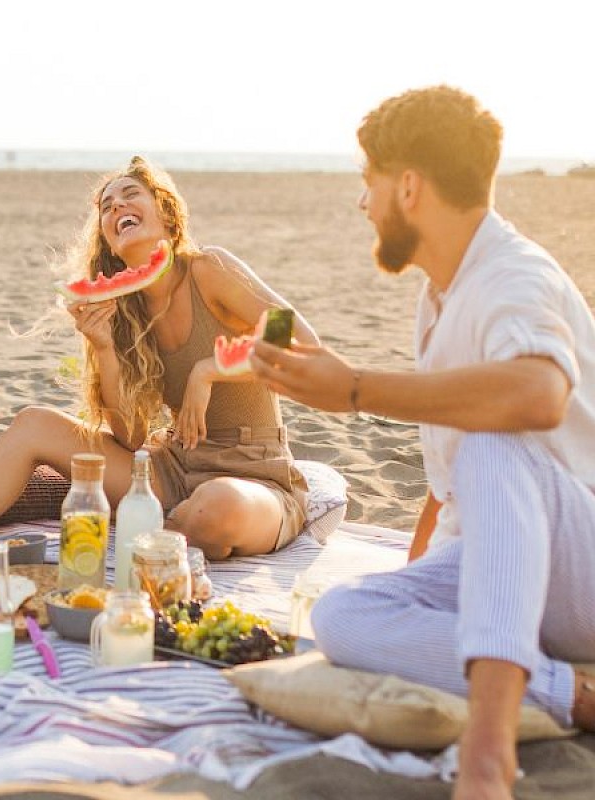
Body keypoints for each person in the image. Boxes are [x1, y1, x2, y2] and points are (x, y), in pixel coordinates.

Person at [250, 86, 595, 799]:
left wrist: (354, 391)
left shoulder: (515, 275)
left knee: (495, 445)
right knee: (344, 615)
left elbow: (537, 396)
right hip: (516, 569)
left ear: (408, 185)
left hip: (580, 560)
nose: (363, 204)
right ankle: (574, 696)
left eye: (368, 182)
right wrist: (409, 587)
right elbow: (445, 497)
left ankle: (488, 754)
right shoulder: (439, 294)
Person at [0, 156, 318, 558]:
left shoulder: (208, 269)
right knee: (34, 422)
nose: (117, 207)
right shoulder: (124, 310)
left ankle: (165, 528)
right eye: (107, 207)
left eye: (131, 195)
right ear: (108, 240)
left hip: (254, 473)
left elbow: (297, 333)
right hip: (171, 471)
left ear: (167, 214)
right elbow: (128, 436)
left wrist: (209, 370)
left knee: (218, 509)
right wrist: (105, 347)